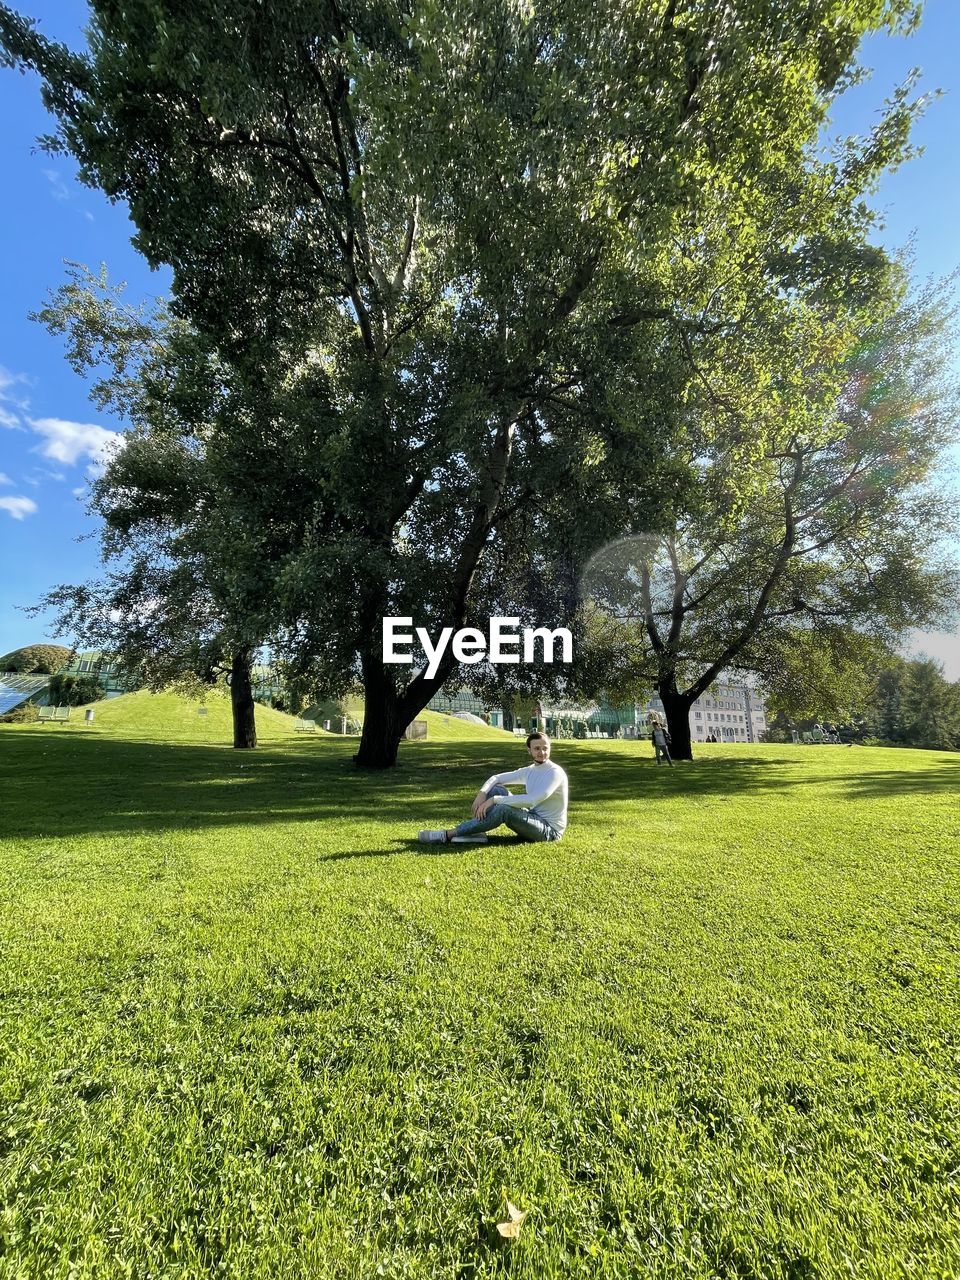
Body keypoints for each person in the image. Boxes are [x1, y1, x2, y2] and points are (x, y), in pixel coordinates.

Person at [418, 731, 568, 845]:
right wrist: (482, 794)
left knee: (503, 807)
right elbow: (496, 778)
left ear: (550, 748)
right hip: (533, 818)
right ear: (529, 750)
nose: (541, 752)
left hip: (548, 831)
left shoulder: (554, 772)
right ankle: (476, 831)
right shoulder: (530, 770)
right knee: (496, 789)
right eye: (537, 748)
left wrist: (494, 801)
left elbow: (533, 799)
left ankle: (446, 835)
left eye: (545, 748)